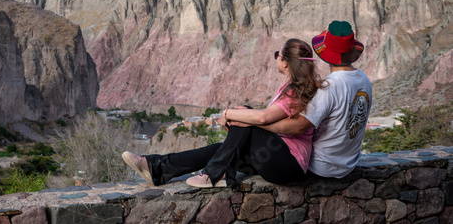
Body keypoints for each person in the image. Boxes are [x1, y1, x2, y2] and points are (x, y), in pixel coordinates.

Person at [122, 38, 325, 188]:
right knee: (222, 148)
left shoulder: (295, 92)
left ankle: (212, 174)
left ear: (285, 62)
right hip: (275, 157)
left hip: (286, 164)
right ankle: (156, 166)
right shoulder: (297, 87)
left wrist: (229, 113)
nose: (276, 59)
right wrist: (239, 116)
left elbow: (263, 118)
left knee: (245, 115)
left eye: (277, 55)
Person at [232, 20, 372, 178]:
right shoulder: (364, 80)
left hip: (321, 165)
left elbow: (298, 127)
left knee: (248, 118)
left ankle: (217, 170)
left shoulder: (330, 87)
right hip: (347, 164)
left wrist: (257, 123)